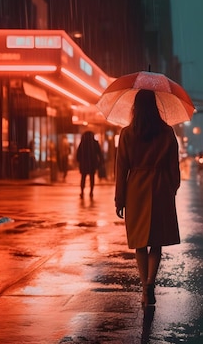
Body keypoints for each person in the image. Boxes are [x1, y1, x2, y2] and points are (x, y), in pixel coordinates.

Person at [114, 89, 181, 308]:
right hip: (160, 187)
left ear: (135, 108)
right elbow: (174, 167)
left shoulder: (127, 133)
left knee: (139, 242)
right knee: (157, 242)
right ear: (155, 106)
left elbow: (121, 168)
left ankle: (144, 285)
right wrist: (171, 188)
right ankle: (151, 282)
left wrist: (120, 198)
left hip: (136, 189)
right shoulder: (167, 132)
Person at [76, 131, 103, 199]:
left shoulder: (82, 143)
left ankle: (82, 192)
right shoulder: (95, 143)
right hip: (92, 164)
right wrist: (100, 161)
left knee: (83, 178)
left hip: (84, 164)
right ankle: (91, 192)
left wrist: (79, 161)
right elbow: (99, 153)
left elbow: (78, 154)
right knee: (92, 178)